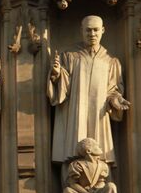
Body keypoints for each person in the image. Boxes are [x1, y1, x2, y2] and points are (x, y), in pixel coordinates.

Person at [48, 15, 130, 181]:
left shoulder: (111, 61)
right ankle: (72, 186)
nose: (92, 33)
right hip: (75, 113)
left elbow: (113, 89)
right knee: (73, 148)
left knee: (100, 149)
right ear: (81, 31)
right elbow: (62, 87)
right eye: (88, 30)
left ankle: (101, 184)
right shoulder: (69, 56)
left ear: (103, 31)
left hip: (99, 115)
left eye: (95, 30)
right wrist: (56, 74)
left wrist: (116, 100)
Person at [57, 138, 125, 193]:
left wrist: (94, 190)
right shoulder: (77, 165)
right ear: (88, 151)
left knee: (111, 186)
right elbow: (72, 183)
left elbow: (101, 182)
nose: (100, 147)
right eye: (97, 146)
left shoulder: (103, 165)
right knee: (67, 191)